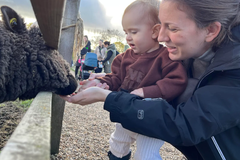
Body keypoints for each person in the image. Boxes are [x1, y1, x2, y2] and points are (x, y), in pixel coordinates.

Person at [61, 0, 240, 159]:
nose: (160, 37)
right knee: (118, 141)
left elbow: (185, 123)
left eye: (173, 28)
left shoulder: (233, 72)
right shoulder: (188, 53)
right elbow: (125, 75)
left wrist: (107, 96)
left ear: (210, 30)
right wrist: (104, 81)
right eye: (161, 25)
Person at [67, 0, 188, 159]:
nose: (128, 38)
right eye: (126, 32)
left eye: (134, 32)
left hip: (152, 120)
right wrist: (100, 83)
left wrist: (144, 92)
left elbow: (176, 82)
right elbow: (116, 78)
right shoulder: (123, 58)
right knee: (117, 144)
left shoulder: (166, 58)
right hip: (127, 113)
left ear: (155, 31)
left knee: (145, 155)